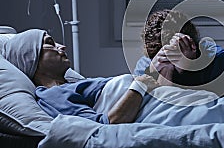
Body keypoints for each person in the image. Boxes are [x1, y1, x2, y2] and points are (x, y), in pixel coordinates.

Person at [1, 29, 160, 124]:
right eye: (50, 43)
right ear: (31, 57)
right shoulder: (51, 94)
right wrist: (143, 81)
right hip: (151, 102)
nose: (62, 47)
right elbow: (103, 126)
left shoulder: (76, 85)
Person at [133, 9, 224, 95]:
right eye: (166, 56)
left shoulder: (218, 60)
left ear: (193, 45)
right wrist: (156, 72)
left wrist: (191, 67)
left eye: (174, 55)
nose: (170, 61)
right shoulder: (147, 64)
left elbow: (222, 107)